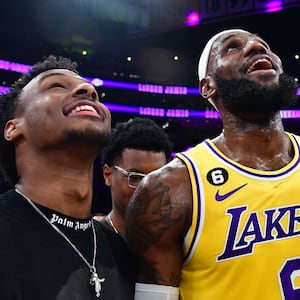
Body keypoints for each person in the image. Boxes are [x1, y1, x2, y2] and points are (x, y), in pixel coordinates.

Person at [125, 29, 300, 300]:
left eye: (264, 44)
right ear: (208, 87)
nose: (255, 46)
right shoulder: (172, 188)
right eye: (231, 48)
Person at [0, 55, 134, 299]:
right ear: (13, 128)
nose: (89, 90)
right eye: (56, 86)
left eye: (94, 93)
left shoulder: (121, 252)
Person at [95, 117, 173, 239]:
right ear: (108, 175)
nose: (148, 188)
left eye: (157, 178)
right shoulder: (91, 240)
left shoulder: (179, 242)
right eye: (135, 177)